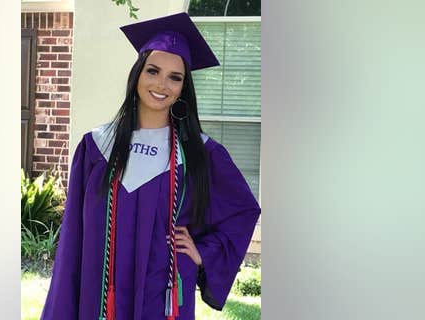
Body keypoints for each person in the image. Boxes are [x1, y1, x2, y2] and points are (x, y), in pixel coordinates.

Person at [41, 12, 261, 320]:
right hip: (100, 295)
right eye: (153, 71)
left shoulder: (199, 152)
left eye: (175, 77)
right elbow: (73, 239)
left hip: (163, 292)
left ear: (184, 88)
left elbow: (243, 210)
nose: (162, 84)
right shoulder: (96, 147)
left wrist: (204, 252)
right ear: (137, 75)